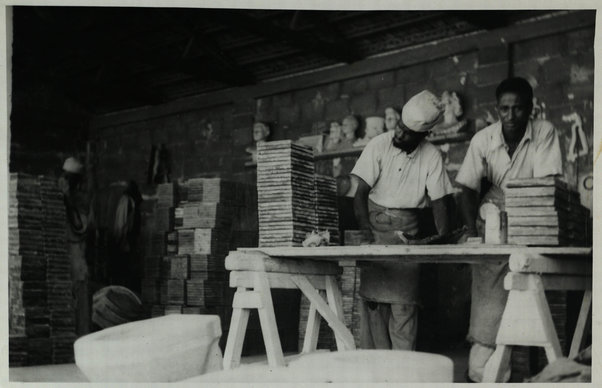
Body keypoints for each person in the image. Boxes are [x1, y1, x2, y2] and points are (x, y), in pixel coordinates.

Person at [455, 77, 563, 382]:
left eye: (518, 108)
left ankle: (529, 373)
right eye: (504, 109)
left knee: (528, 292)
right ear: (496, 109)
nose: (511, 116)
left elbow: (545, 185)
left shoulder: (545, 132)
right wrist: (472, 232)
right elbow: (466, 187)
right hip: (491, 216)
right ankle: (481, 376)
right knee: (489, 302)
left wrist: (531, 218)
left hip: (533, 210)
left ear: (531, 109)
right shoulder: (483, 139)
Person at [350, 90, 454, 350]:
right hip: (374, 230)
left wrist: (444, 236)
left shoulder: (431, 156)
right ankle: (376, 375)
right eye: (399, 126)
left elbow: (440, 201)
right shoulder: (379, 145)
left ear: (424, 135)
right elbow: (359, 192)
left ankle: (402, 373)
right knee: (374, 307)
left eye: (407, 132)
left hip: (408, 237)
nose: (399, 133)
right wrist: (365, 231)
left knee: (404, 308)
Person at [58, 156, 94, 336]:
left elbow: (80, 227)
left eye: (69, 179)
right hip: (62, 259)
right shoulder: (58, 198)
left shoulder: (81, 201)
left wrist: (67, 201)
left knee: (80, 304)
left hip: (77, 260)